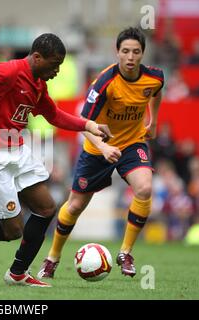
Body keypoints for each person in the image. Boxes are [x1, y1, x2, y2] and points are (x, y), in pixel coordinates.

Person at [0, 33, 112, 287]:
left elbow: (53, 115)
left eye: (60, 65)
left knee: (47, 208)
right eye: (54, 64)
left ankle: (18, 273)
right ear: (37, 57)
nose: (57, 70)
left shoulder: (38, 83)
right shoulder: (10, 72)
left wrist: (89, 125)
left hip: (17, 151)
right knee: (12, 231)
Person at [38, 27, 164, 279]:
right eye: (125, 51)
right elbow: (84, 122)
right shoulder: (105, 82)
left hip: (131, 144)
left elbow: (156, 93)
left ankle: (125, 252)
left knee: (145, 188)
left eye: (136, 52)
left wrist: (153, 122)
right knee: (74, 206)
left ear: (142, 54)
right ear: (117, 52)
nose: (130, 57)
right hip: (97, 148)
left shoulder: (155, 77)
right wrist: (104, 147)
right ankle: (52, 258)